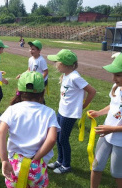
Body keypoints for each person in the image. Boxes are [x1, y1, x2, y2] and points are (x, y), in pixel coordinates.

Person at [0, 71, 60, 188]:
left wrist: (4, 160)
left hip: (15, 164)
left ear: (19, 91)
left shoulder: (12, 109)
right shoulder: (49, 112)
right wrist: (36, 158)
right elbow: (52, 139)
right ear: (43, 92)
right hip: (38, 164)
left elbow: (0, 133)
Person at [47, 49, 96, 174]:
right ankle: (60, 160)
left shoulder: (75, 77)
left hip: (70, 114)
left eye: (57, 62)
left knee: (63, 139)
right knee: (58, 137)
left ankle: (66, 165)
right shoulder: (66, 75)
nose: (56, 65)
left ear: (64, 64)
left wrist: (83, 105)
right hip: (62, 111)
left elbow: (92, 91)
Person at [88, 54, 122, 188]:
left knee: (117, 173)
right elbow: (113, 106)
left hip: (120, 142)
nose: (114, 79)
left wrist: (112, 129)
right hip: (106, 135)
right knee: (96, 166)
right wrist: (99, 113)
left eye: (118, 75)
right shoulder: (116, 88)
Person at [17, 40, 48, 104]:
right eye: (30, 49)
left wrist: (41, 79)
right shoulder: (30, 59)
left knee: (38, 95)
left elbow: (46, 71)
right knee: (32, 94)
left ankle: (42, 105)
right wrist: (22, 75)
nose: (31, 50)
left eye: (33, 49)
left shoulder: (41, 60)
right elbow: (29, 70)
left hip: (40, 80)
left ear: (39, 51)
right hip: (33, 80)